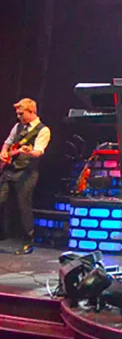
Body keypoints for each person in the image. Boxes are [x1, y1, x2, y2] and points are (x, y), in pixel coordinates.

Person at [0, 99, 51, 255]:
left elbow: (38, 151)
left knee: (23, 206)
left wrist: (28, 151)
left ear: (32, 112)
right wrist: (4, 151)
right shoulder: (18, 127)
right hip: (10, 169)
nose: (19, 116)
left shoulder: (43, 130)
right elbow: (8, 142)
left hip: (27, 172)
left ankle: (28, 242)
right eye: (17, 113)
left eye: (21, 113)